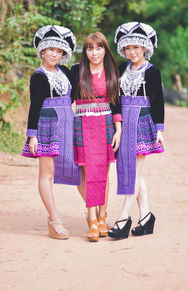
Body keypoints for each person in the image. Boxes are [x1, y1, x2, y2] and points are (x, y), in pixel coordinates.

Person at [22, 25, 81, 239]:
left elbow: (75, 94)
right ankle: (54, 219)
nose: (54, 54)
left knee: (79, 169)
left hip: (68, 123)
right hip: (46, 124)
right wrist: (33, 134)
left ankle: (95, 215)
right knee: (46, 173)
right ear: (42, 51)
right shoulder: (38, 76)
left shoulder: (65, 72)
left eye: (59, 51)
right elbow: (34, 106)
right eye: (50, 50)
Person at [108, 22, 164, 239]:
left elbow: (157, 102)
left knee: (133, 169)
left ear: (145, 48)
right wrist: (117, 124)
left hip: (142, 121)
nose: (132, 52)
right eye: (128, 48)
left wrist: (159, 129)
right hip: (124, 122)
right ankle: (146, 216)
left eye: (137, 48)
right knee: (136, 173)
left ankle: (123, 218)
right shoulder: (121, 69)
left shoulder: (152, 72)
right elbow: (115, 97)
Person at [71, 32, 122, 242]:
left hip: (106, 125)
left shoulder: (112, 71)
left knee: (103, 172)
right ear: (85, 51)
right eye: (90, 48)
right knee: (86, 173)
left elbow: (116, 102)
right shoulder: (76, 72)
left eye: (99, 48)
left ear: (104, 50)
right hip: (82, 124)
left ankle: (102, 217)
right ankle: (91, 219)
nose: (94, 53)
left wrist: (118, 129)